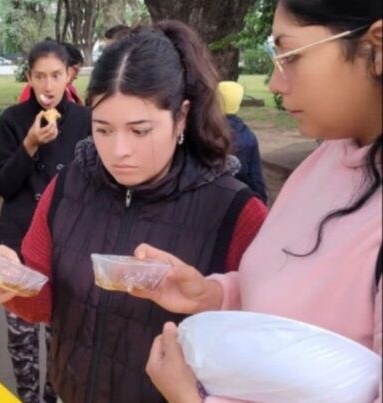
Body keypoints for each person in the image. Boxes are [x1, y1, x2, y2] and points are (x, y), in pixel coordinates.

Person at [0, 21, 268, 402]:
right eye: (103, 129)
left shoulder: (235, 211)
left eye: (140, 131)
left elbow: (265, 348)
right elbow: (44, 305)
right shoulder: (68, 186)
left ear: (181, 117)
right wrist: (10, 280)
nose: (118, 151)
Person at [125, 2, 382, 403]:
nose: (276, 83)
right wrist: (212, 295)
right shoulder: (325, 160)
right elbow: (292, 301)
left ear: (377, 46)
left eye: (291, 56)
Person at [0, 40, 92, 403]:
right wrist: (30, 144)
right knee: (21, 337)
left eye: (55, 75)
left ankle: (52, 397)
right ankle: (27, 397)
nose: (48, 86)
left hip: (64, 245)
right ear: (29, 77)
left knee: (58, 337)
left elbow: (91, 185)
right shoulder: (13, 120)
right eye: (39, 76)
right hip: (16, 243)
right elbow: (3, 185)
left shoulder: (85, 120)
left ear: (69, 75)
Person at [218, 81, 268, 202]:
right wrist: (261, 203)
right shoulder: (248, 136)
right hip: (239, 199)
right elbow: (255, 177)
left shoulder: (202, 133)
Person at [18, 41, 84, 105]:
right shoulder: (31, 93)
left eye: (55, 76)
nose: (76, 76)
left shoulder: (70, 89)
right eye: (76, 69)